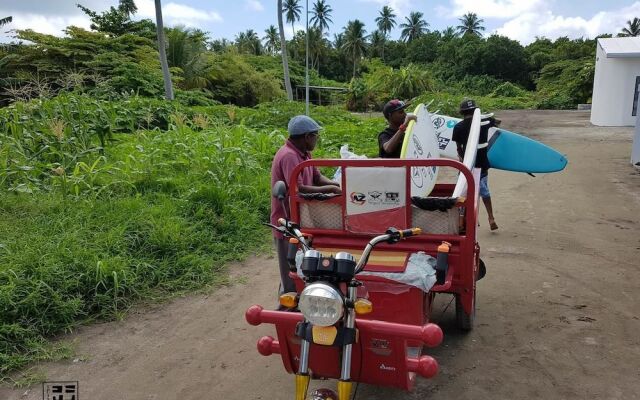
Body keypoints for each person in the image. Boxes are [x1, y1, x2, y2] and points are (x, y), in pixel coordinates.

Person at [270, 115, 341, 296]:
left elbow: (316, 177)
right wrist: (332, 188)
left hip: (302, 217)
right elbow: (298, 188)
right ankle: (287, 308)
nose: (316, 140)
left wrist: (338, 184)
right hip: (287, 219)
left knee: (305, 262)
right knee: (290, 269)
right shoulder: (289, 156)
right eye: (316, 136)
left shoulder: (304, 153)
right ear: (307, 136)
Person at [452, 99, 499, 231]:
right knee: (484, 191)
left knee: (463, 193)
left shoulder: (458, 127)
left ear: (462, 113)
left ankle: (462, 221)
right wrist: (485, 117)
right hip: (482, 164)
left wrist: (462, 161)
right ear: (475, 111)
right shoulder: (483, 123)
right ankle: (491, 218)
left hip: (466, 166)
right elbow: (497, 122)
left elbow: (458, 148)